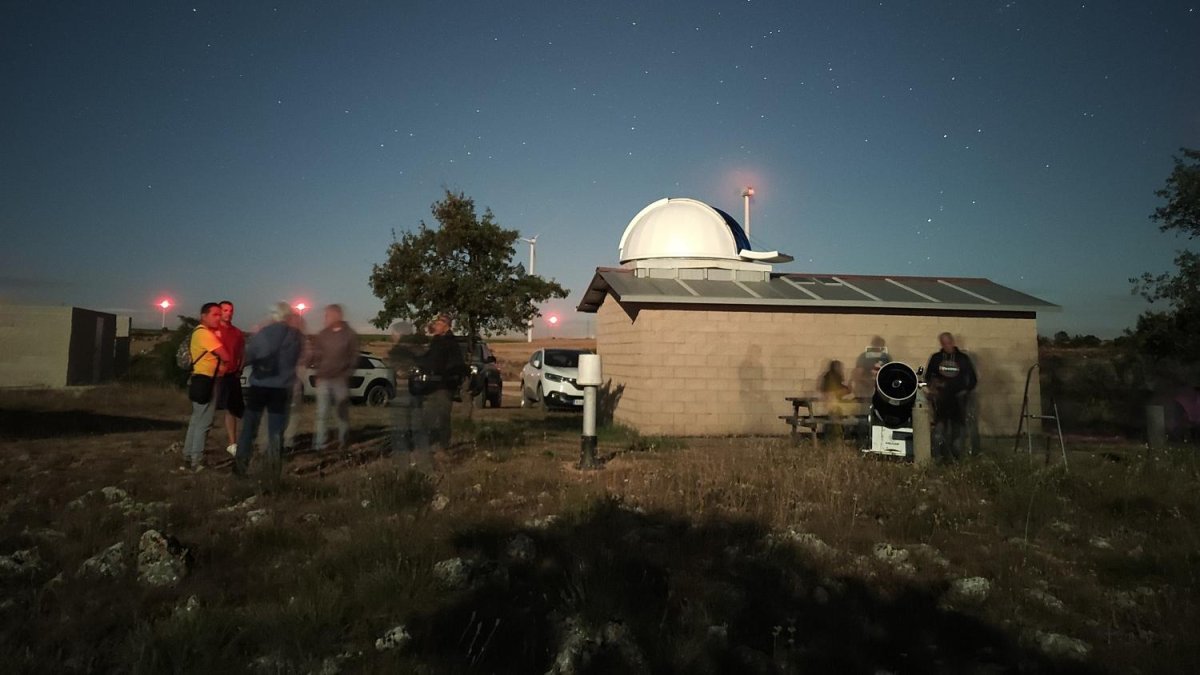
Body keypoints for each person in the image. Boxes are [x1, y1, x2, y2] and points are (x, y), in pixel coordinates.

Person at [234, 302, 303, 482]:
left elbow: (248, 357)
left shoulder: (263, 334)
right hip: (282, 388)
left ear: (273, 315)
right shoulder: (296, 337)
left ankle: (240, 467)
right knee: (276, 431)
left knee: (249, 428)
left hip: (260, 385)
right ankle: (272, 472)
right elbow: (297, 358)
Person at [181, 303, 232, 472]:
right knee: (204, 422)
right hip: (207, 381)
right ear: (204, 316)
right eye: (215, 314)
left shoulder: (198, 332)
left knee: (196, 420)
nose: (219, 318)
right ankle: (197, 460)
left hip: (199, 380)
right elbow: (225, 355)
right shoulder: (205, 334)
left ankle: (188, 456)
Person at [311, 304, 360, 451]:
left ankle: (343, 441)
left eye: (328, 315)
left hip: (340, 380)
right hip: (324, 379)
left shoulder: (349, 335)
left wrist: (347, 374)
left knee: (342, 414)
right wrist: (318, 373)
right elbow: (317, 355)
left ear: (338, 315)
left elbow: (354, 357)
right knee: (321, 413)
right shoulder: (323, 334)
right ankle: (320, 444)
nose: (325, 318)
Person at [925, 332, 978, 461]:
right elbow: (928, 376)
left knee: (957, 432)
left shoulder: (962, 358)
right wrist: (933, 386)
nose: (946, 346)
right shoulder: (936, 358)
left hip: (958, 401)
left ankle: (956, 460)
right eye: (943, 343)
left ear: (953, 342)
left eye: (948, 343)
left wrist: (965, 391)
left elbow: (972, 379)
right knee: (938, 431)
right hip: (941, 401)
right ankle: (937, 458)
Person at [421, 313, 467, 456]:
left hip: (444, 385)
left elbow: (456, 364)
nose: (435, 326)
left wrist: (446, 374)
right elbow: (429, 359)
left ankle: (443, 446)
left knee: (443, 416)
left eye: (439, 324)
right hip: (432, 384)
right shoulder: (436, 341)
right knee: (428, 415)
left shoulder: (451, 343)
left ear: (446, 326)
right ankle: (426, 444)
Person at [388, 321, 429, 466]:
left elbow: (400, 372)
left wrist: (400, 371)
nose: (392, 336)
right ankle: (420, 458)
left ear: (400, 334)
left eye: (394, 333)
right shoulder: (419, 350)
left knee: (401, 428)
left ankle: (402, 460)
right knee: (417, 427)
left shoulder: (398, 351)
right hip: (417, 393)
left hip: (403, 393)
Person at [214, 300, 245, 456]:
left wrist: (240, 368)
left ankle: (232, 443)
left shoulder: (237, 332)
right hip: (215, 375)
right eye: (225, 310)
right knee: (210, 408)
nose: (229, 313)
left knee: (232, 409)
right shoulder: (212, 330)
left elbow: (242, 352)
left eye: (230, 310)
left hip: (231, 375)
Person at [282, 310, 310, 454]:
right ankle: (280, 440)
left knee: (293, 411)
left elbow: (307, 356)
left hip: (294, 378)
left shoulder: (301, 339)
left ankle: (288, 441)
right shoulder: (282, 336)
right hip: (282, 380)